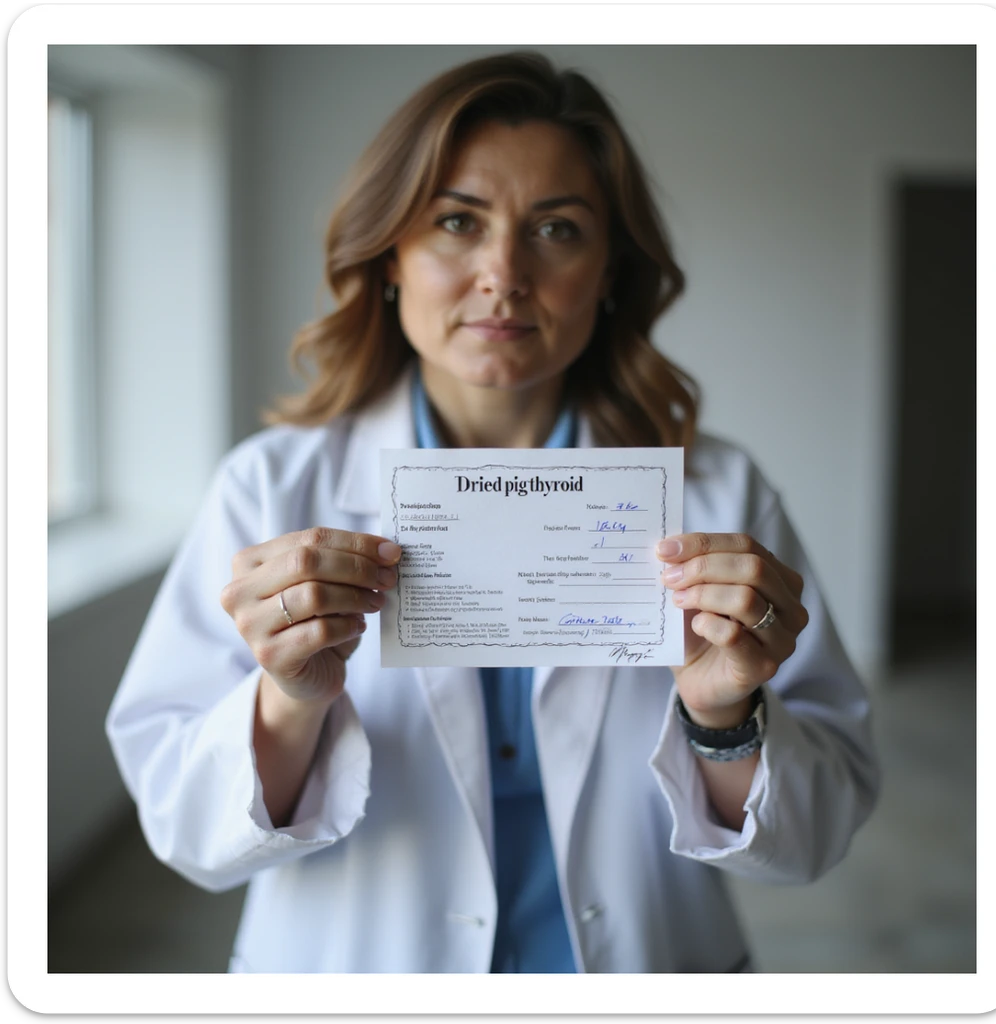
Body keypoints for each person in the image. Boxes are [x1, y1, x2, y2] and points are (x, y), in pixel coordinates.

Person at [106, 52, 879, 974]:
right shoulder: (270, 488)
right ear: (390, 254)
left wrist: (722, 714)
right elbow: (186, 832)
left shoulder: (719, 492)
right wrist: (287, 700)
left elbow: (813, 836)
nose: (503, 274)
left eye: (556, 228)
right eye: (456, 222)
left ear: (609, 271)